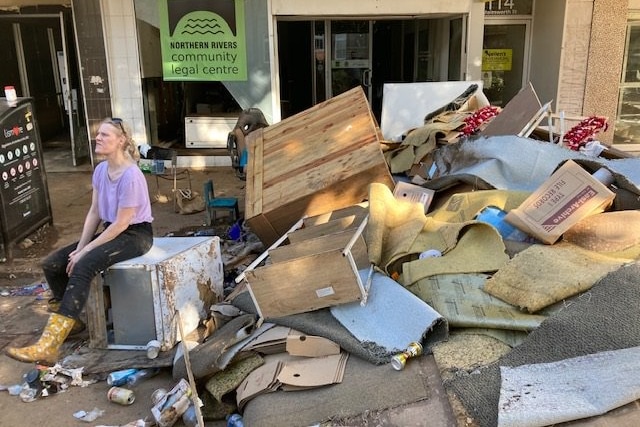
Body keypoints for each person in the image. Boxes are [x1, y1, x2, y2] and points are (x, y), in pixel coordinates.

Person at [6, 118, 154, 365]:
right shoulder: (100, 170)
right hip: (112, 231)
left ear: (121, 141)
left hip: (135, 235)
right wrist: (78, 248)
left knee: (84, 266)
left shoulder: (132, 176)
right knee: (53, 264)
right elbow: (95, 212)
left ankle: (49, 345)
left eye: (105, 135)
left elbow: (122, 223)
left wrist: (85, 251)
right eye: (99, 134)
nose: (98, 137)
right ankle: (72, 321)